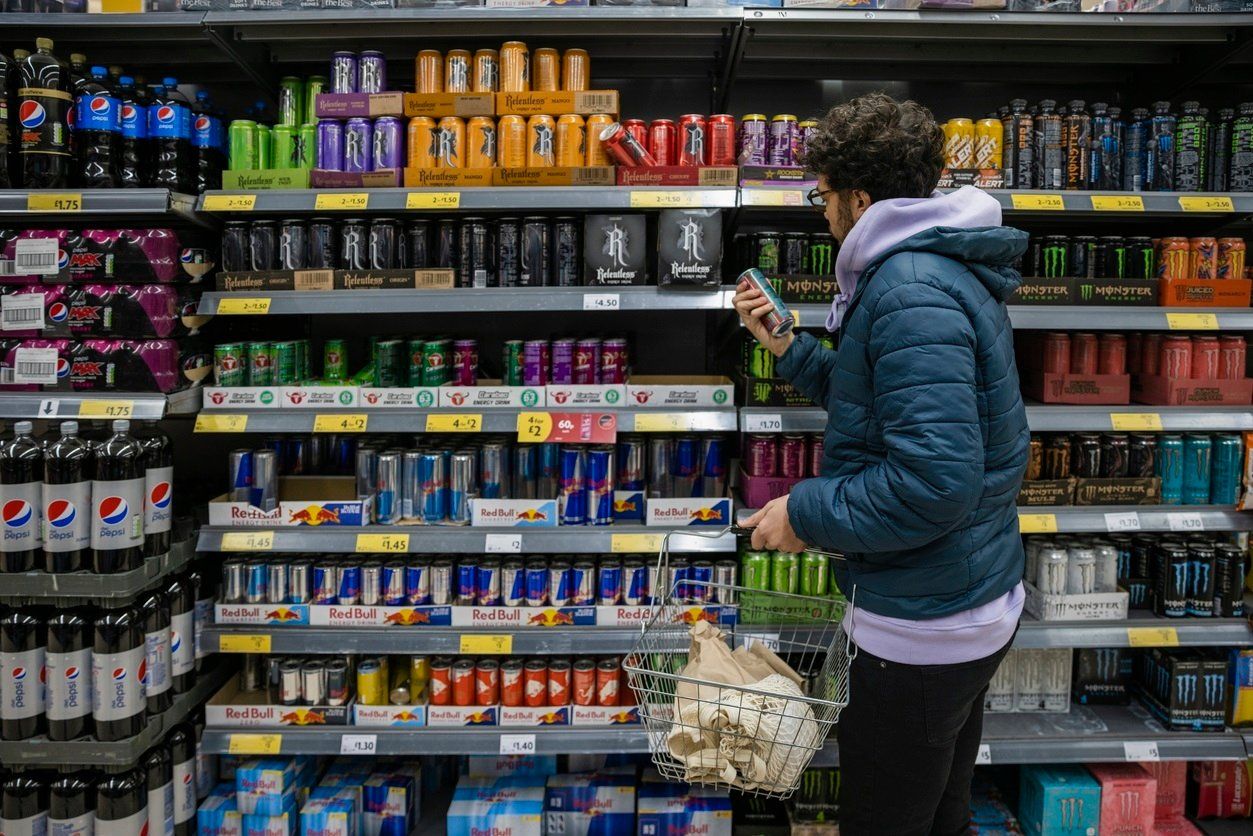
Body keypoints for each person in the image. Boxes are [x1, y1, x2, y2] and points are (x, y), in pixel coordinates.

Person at [733, 93, 1030, 835]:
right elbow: (884, 404)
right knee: (939, 814)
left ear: (859, 198)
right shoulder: (924, 270)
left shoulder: (905, 291)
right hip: (956, 600)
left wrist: (802, 514)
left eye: (823, 194)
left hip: (924, 628)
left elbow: (933, 481)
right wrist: (790, 349)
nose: (821, 210)